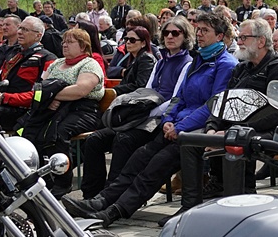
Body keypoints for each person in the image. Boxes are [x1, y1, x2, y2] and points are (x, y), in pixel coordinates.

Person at [66, 11, 240, 224]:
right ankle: (103, 199)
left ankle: (116, 211)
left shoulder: (225, 64)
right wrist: (168, 120)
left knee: (156, 165)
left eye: (205, 30)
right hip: (176, 125)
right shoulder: (199, 60)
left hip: (198, 129)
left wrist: (180, 126)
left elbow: (213, 104)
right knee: (140, 156)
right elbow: (179, 97)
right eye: (199, 29)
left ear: (220, 36)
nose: (200, 34)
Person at [176, 18, 278, 209]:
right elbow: (223, 101)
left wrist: (236, 129)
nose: (238, 42)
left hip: (270, 130)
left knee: (235, 140)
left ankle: (241, 199)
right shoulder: (242, 68)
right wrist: (211, 127)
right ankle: (189, 206)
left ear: (261, 41)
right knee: (191, 141)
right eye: (238, 37)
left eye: (244, 38)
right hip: (234, 128)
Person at [76, 16, 196, 200]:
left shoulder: (187, 63)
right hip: (143, 114)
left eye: (175, 33)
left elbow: (175, 98)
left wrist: (146, 113)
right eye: (166, 33)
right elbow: (146, 91)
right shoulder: (161, 61)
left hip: (161, 118)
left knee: (123, 140)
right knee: (95, 140)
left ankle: (110, 195)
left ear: (185, 36)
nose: (170, 37)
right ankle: (91, 193)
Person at [20, 28, 105, 192]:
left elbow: (80, 90)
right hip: (53, 110)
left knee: (57, 133)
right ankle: (40, 177)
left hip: (83, 110)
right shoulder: (57, 63)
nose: (65, 45)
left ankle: (62, 181)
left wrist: (52, 96)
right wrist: (51, 97)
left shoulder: (90, 64)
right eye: (64, 41)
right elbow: (39, 88)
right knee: (29, 130)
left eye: (70, 42)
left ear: (83, 46)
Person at [0, 16, 57, 131]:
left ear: (38, 35)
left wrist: (5, 98)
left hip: (22, 112)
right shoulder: (13, 53)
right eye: (20, 28)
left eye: (25, 30)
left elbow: (40, 96)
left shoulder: (47, 58)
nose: (19, 32)